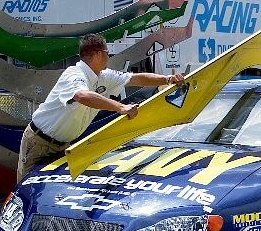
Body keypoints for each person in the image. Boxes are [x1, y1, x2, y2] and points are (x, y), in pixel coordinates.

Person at [17, 33, 185, 182]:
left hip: (64, 145)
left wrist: (168, 79)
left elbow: (136, 78)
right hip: (39, 143)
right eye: (107, 52)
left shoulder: (104, 77)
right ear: (97, 54)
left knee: (52, 192)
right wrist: (121, 107)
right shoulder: (74, 74)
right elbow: (82, 96)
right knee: (26, 192)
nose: (109, 56)